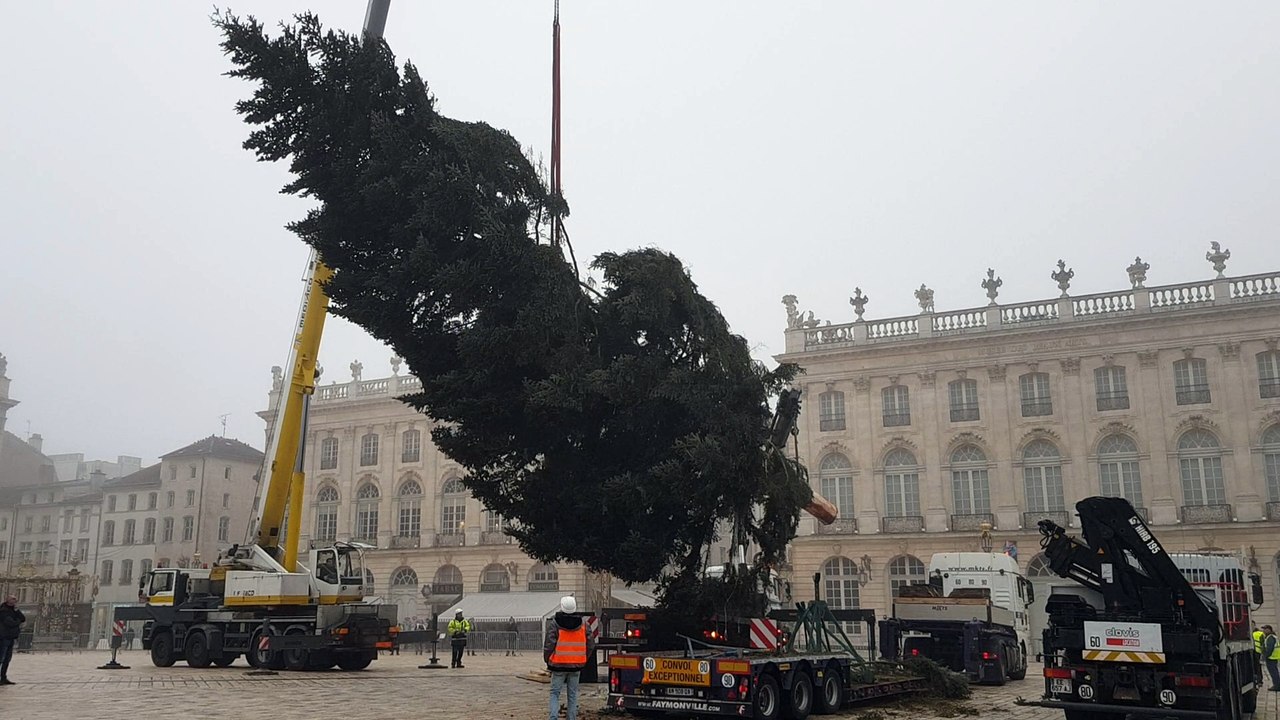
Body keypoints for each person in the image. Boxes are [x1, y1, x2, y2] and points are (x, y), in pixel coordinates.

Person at [545, 596, 593, 720]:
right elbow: (591, 644)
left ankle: (553, 717)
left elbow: (549, 644)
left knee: (555, 693)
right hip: (576, 666)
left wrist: (548, 660)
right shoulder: (584, 624)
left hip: (558, 665)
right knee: (572, 694)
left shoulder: (555, 623)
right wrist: (584, 658)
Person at [0, 594, 25, 685]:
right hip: (3, 637)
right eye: (13, 599)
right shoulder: (3, 610)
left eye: (16, 599)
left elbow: (23, 618)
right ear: (8, 600)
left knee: (7, 659)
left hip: (11, 637)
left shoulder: (14, 610)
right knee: (1, 658)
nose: (15, 601)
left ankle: (3, 677)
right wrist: (17, 622)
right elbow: (10, 623)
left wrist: (17, 610)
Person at [1265, 625, 1280, 691]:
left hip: (1271, 657)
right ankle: (1277, 685)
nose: (1264, 630)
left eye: (1265, 629)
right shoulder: (1273, 636)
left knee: (1273, 672)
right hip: (1274, 657)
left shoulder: (1270, 638)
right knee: (1275, 672)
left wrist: (1266, 656)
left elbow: (1270, 648)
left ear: (1269, 630)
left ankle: (1276, 686)